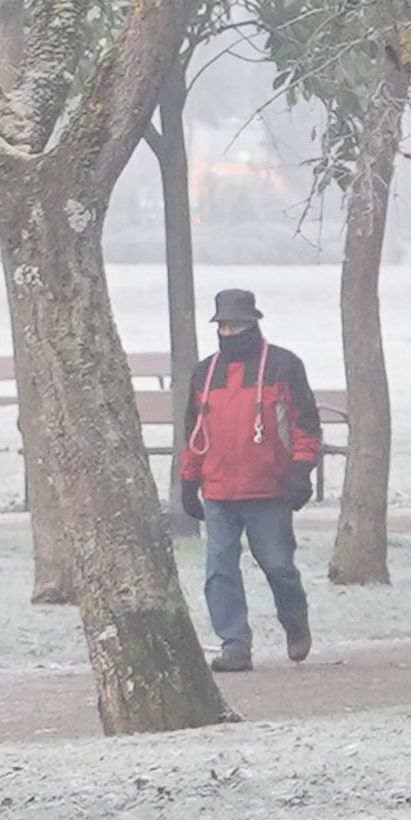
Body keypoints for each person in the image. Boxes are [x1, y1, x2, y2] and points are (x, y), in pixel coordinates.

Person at [174, 284, 325, 672]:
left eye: (236, 325)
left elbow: (305, 423)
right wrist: (188, 483)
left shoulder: (284, 365)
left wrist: (301, 470)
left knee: (278, 566)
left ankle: (295, 623)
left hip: (269, 488)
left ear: (252, 323)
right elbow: (194, 432)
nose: (229, 332)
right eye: (223, 326)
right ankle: (234, 645)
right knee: (219, 571)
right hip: (219, 490)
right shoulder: (204, 373)